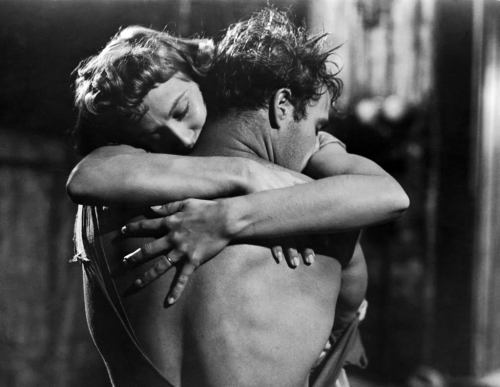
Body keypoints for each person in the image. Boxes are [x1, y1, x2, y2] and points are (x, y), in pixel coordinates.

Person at [69, 9, 408, 387]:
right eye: (319, 128)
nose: (320, 144)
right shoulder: (326, 221)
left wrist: (231, 215)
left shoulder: (103, 206)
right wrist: (252, 183)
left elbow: (87, 173)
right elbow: (348, 313)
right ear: (282, 106)